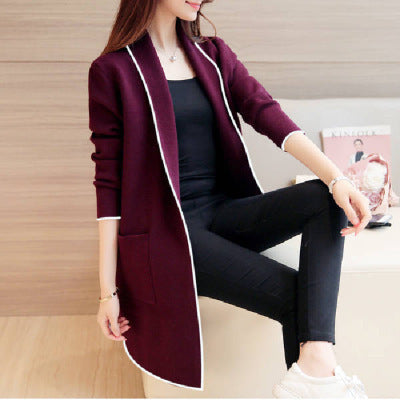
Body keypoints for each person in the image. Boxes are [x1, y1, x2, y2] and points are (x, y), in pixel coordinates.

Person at [90, 0, 371, 397]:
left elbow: (266, 112)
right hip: (170, 236)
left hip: (222, 214)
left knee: (325, 197)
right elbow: (109, 186)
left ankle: (314, 370)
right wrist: (108, 291)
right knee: (299, 296)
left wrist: (337, 177)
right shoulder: (114, 70)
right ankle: (316, 379)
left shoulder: (213, 54)